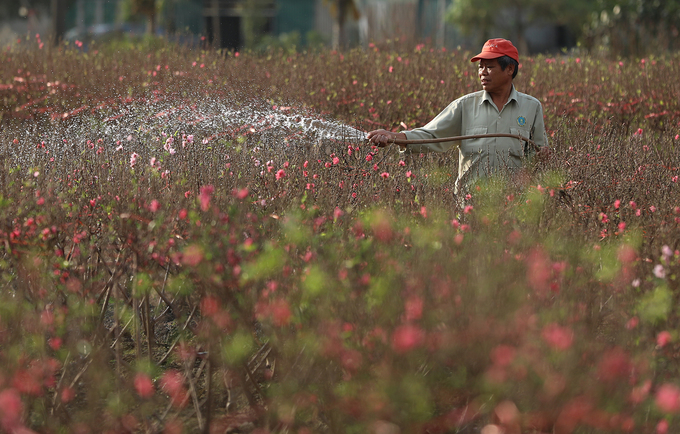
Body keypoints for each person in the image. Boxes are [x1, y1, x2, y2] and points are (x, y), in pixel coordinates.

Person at [367, 38, 548, 194]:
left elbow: (539, 154)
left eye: (489, 67)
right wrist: (393, 137)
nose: (482, 73)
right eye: (480, 67)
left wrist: (541, 162)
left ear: (509, 69)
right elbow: (431, 135)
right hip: (471, 204)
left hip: (514, 206)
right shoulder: (464, 106)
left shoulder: (531, 107)